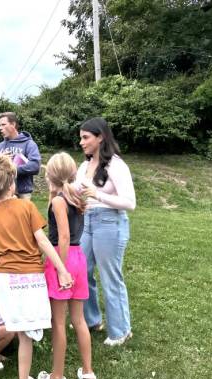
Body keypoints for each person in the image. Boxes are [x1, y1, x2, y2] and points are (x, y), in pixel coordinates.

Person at [0, 154, 73, 379]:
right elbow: (42, 240)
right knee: (25, 334)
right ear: (12, 184)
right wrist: (61, 269)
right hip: (32, 279)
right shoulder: (27, 207)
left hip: (4, 279)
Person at [37, 152, 96, 379]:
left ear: (50, 175)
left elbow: (61, 235)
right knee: (78, 320)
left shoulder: (60, 201)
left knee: (58, 323)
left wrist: (60, 270)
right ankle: (88, 372)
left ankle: (57, 377)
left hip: (62, 260)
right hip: (79, 258)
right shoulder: (75, 197)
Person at [77, 117, 136, 346]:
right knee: (82, 271)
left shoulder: (116, 165)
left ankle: (121, 331)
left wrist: (96, 194)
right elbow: (77, 191)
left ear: (100, 137)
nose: (81, 142)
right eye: (80, 138)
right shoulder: (84, 165)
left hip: (110, 223)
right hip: (87, 222)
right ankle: (92, 320)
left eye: (85, 137)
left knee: (110, 276)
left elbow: (130, 202)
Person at [0, 112, 41, 200]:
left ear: (13, 124)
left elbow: (35, 166)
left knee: (22, 214)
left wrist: (12, 169)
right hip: (2, 193)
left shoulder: (29, 144)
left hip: (23, 193)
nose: (0, 128)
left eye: (3, 125)